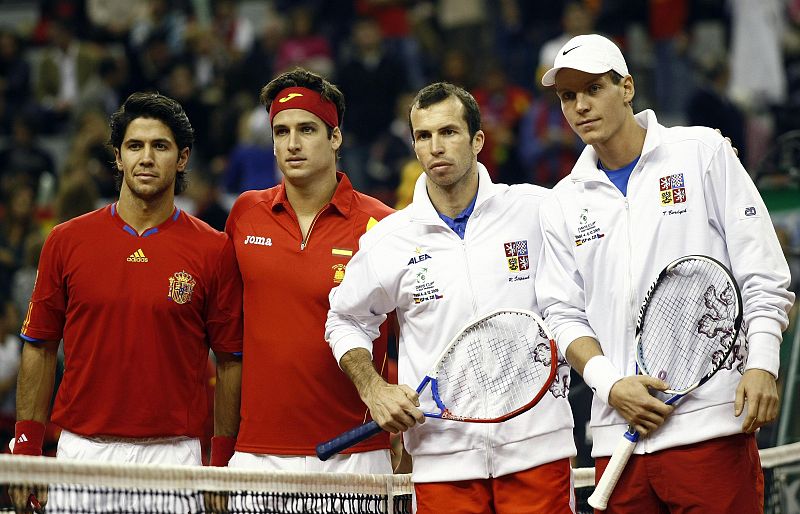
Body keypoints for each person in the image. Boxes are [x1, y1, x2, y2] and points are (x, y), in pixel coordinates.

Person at [536, 34, 795, 513]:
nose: (580, 106)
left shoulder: (703, 152)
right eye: (568, 97)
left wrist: (762, 362)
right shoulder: (561, 202)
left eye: (593, 89)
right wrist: (611, 384)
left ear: (628, 87)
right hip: (619, 439)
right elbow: (561, 313)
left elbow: (763, 272)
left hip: (712, 425)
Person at [325, 82, 576, 513]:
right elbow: (343, 320)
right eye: (423, 136)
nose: (435, 147)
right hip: (442, 458)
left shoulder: (537, 209)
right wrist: (374, 389)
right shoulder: (389, 238)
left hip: (537, 447)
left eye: (449, 132)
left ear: (478, 139)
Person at [10, 92, 243, 511]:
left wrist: (221, 463)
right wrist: (26, 449)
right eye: (135, 146)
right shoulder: (65, 241)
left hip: (174, 458)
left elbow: (230, 361)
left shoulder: (215, 249)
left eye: (161, 146)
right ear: (118, 158)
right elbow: (40, 347)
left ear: (183, 157)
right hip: (82, 453)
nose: (147, 158)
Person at [224, 68, 395, 473]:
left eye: (307, 129)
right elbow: (226, 337)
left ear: (335, 137)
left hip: (355, 453)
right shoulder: (245, 214)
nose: (292, 144)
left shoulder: (383, 225)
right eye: (280, 133)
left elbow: (412, 337)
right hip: (256, 455)